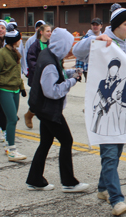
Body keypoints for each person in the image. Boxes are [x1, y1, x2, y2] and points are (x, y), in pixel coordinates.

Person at [73, 5, 126, 216]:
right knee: (109, 154)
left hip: (120, 109)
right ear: (116, 26)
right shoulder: (103, 40)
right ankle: (117, 200)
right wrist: (93, 40)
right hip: (103, 107)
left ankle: (102, 189)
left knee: (116, 152)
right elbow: (76, 52)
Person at [26, 27, 89, 192]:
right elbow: (52, 91)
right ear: (61, 44)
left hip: (42, 108)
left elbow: (57, 74)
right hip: (49, 110)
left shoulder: (49, 54)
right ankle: (69, 182)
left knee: (45, 143)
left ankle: (35, 179)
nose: (69, 50)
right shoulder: (50, 62)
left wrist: (70, 73)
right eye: (68, 45)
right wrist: (72, 81)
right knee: (67, 141)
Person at [0, 24, 27, 161]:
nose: (20, 41)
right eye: (19, 39)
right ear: (15, 40)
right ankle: (12, 150)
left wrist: (22, 87)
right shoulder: (1, 54)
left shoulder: (16, 53)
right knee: (12, 119)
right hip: (4, 89)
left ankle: (7, 144)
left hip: (15, 90)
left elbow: (17, 73)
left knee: (12, 118)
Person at [24, 23, 53, 129]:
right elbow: (31, 60)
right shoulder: (35, 45)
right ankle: (29, 115)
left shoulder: (51, 45)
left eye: (50, 31)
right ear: (41, 32)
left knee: (48, 100)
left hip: (49, 77)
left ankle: (46, 121)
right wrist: (40, 70)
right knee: (36, 100)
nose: (50, 33)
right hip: (37, 77)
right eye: (47, 31)